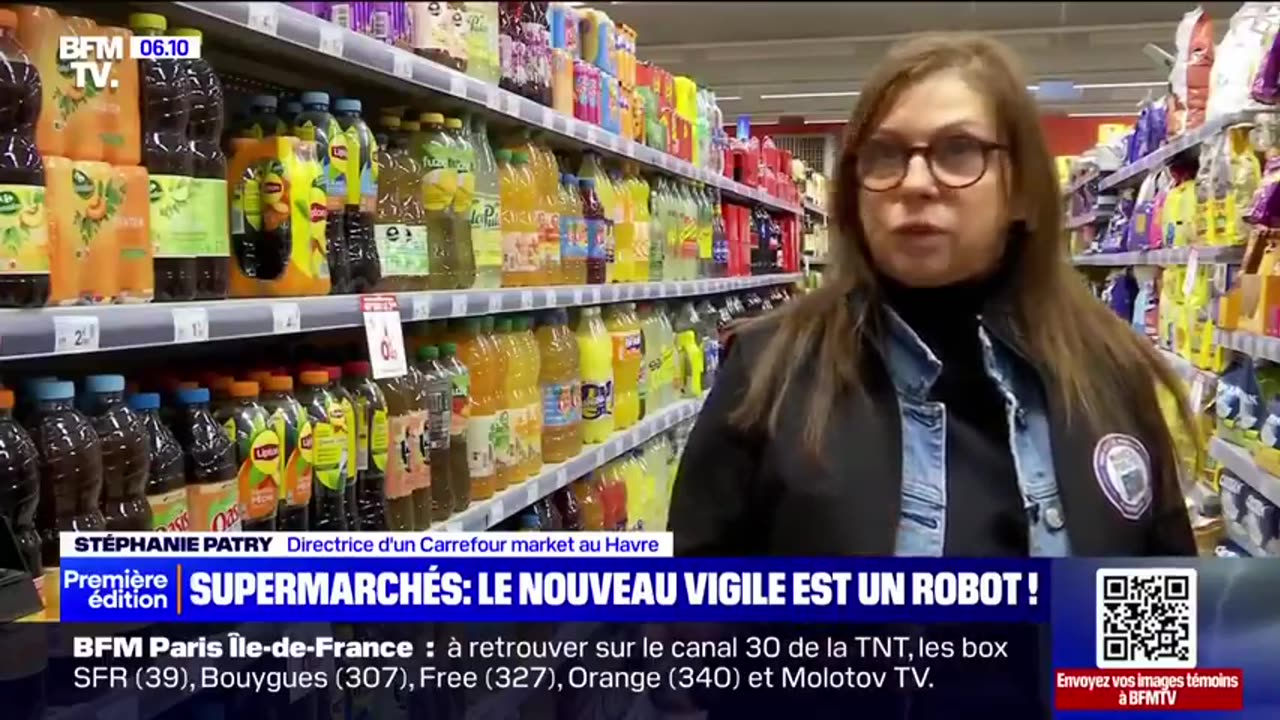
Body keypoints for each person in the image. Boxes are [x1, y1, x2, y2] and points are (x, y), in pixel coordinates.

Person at [669, 34, 1196, 558]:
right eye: (884, 155)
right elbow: (685, 617)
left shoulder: (1113, 377)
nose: (915, 182)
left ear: (1022, 191)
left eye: (958, 150)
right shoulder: (768, 374)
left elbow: (1156, 632)